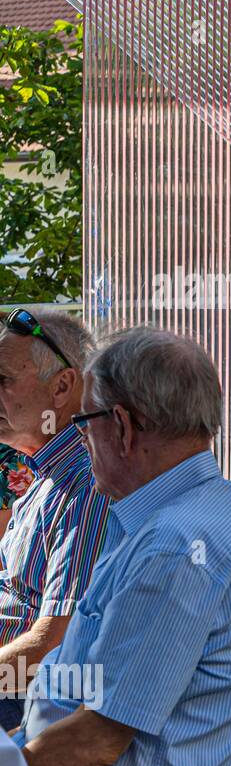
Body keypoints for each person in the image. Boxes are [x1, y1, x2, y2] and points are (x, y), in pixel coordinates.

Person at [15, 327, 231, 766]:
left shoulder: (174, 549)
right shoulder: (197, 511)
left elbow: (96, 742)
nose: (80, 439)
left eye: (83, 422)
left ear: (119, 426)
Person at [0, 309, 112, 733]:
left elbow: (58, 642)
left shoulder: (85, 484)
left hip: (29, 701)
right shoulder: (46, 478)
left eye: (4, 380)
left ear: (63, 386)